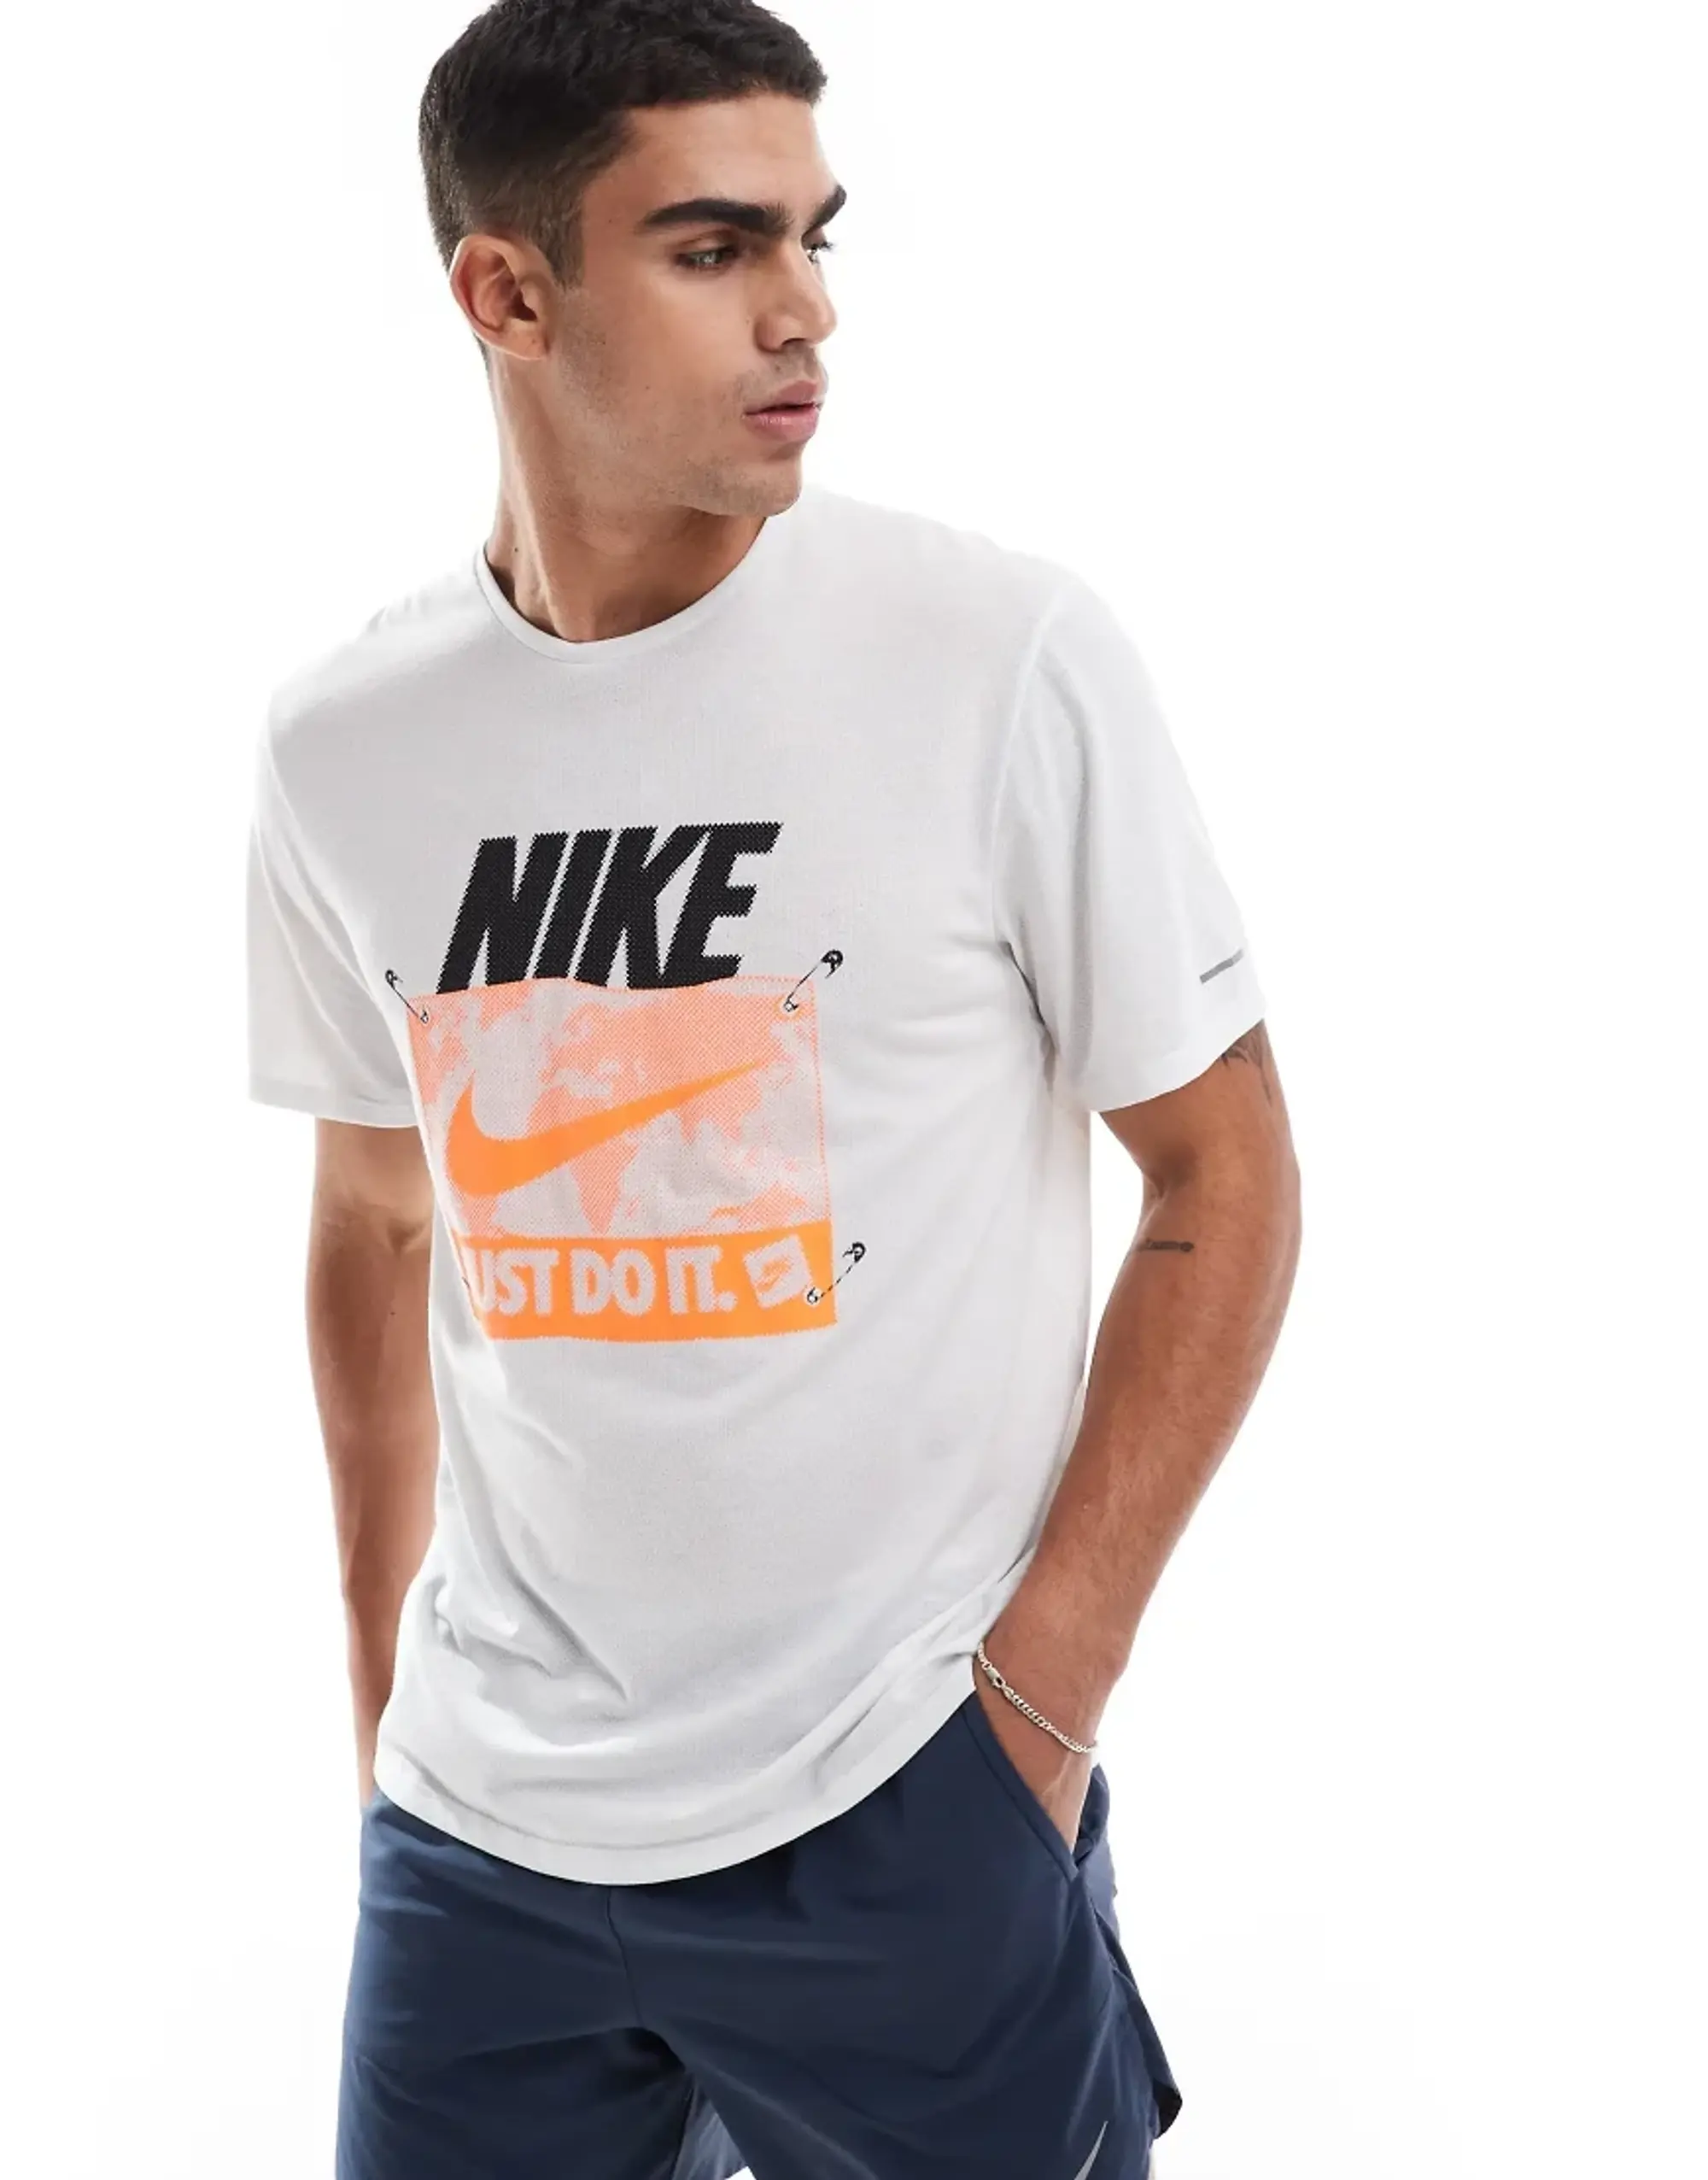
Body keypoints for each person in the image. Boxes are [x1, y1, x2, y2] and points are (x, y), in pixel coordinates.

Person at [243, 3, 1302, 2174]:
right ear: (506, 292)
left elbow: (1222, 1169)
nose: (806, 308)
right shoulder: (347, 746)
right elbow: (374, 1210)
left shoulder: (992, 656)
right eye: (715, 246)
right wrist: (383, 1710)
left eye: (816, 235)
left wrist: (1035, 1705)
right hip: (481, 1839)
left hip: (904, 1805)